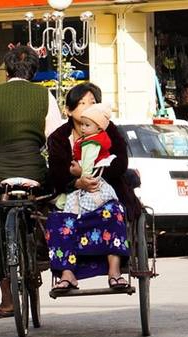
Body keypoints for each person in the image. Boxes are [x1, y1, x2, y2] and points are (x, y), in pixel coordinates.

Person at [0, 45, 63, 319]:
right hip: (33, 169)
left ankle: (7, 298)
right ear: (33, 71)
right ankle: (42, 245)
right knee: (46, 205)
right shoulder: (43, 95)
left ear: (6, 69)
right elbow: (56, 137)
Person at [47, 83, 141, 291]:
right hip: (72, 195)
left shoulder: (109, 130)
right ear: (69, 111)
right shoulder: (59, 137)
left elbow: (120, 164)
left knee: (114, 212)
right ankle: (67, 273)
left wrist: (89, 174)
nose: (88, 107)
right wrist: (76, 182)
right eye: (81, 103)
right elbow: (55, 172)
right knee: (59, 219)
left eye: (92, 102)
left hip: (105, 191)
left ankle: (114, 271)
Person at [63, 102, 118, 216]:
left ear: (99, 127)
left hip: (89, 180)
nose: (83, 127)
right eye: (82, 124)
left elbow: (88, 161)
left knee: (70, 203)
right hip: (95, 178)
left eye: (87, 125)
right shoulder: (95, 137)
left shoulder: (91, 143)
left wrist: (83, 176)